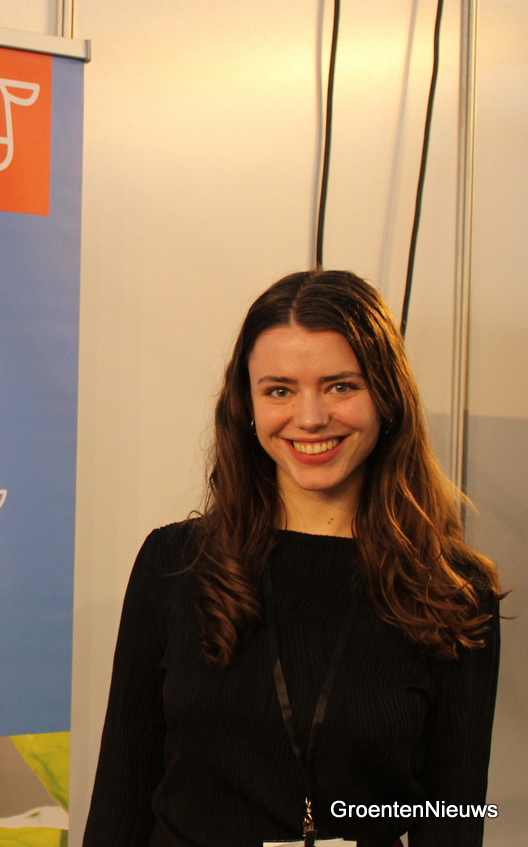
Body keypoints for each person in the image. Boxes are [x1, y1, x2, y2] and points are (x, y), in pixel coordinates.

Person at [82, 270, 503, 847]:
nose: (310, 418)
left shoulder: (454, 589)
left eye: (340, 386)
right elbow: (121, 799)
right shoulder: (173, 563)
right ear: (247, 405)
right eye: (279, 390)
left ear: (387, 396)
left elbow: (451, 817)